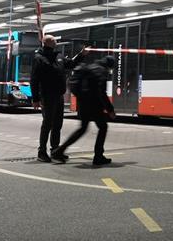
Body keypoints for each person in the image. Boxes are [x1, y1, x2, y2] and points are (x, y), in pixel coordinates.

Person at [53, 53, 115, 166]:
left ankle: (59, 151)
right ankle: (98, 156)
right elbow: (102, 93)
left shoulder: (92, 67)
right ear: (109, 65)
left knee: (82, 129)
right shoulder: (102, 71)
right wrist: (110, 109)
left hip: (83, 103)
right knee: (103, 127)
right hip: (94, 104)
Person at [29, 35, 70, 163]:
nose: (56, 41)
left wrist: (82, 54)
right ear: (46, 43)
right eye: (53, 40)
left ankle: (55, 151)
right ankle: (42, 152)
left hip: (59, 95)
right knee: (47, 124)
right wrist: (35, 98)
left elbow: (70, 64)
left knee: (57, 124)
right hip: (47, 96)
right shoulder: (39, 58)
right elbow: (34, 80)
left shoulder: (58, 56)